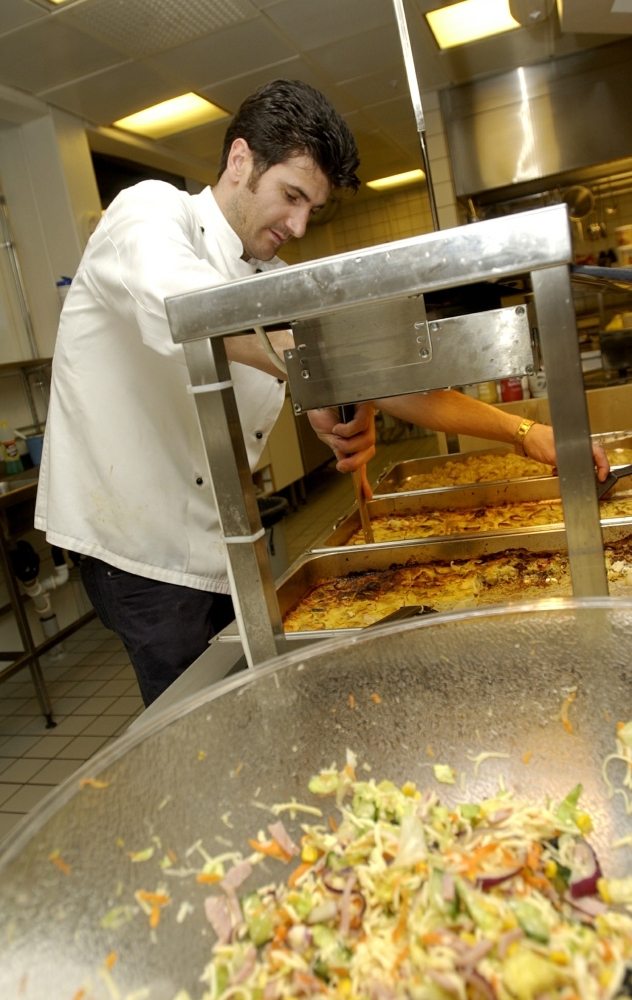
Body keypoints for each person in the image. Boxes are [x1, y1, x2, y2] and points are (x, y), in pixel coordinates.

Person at [36, 79, 608, 707]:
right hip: (136, 546)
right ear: (240, 160)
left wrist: (526, 433)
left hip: (222, 539)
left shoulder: (274, 278)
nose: (300, 225)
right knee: (204, 719)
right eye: (291, 196)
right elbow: (192, 313)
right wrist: (319, 370)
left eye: (312, 207)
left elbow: (391, 382)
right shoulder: (147, 213)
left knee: (251, 701)